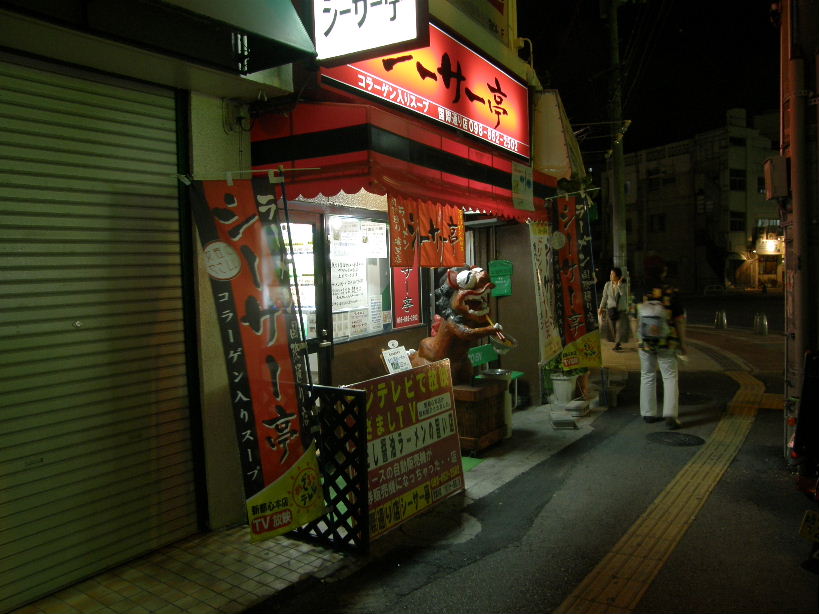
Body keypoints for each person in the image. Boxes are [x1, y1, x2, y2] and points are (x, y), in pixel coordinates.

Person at [636, 261, 686, 429]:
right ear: (663, 272)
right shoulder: (670, 291)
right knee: (670, 376)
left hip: (645, 342)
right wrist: (682, 343)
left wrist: (637, 338)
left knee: (647, 375)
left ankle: (648, 413)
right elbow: (679, 320)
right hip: (667, 341)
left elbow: (633, 317)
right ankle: (670, 415)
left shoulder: (640, 291)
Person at [597, 267, 630, 351]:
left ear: (617, 276)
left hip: (620, 309)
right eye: (610, 274)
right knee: (612, 328)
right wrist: (601, 307)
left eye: (612, 274)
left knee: (619, 327)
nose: (610, 275)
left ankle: (617, 344)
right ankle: (616, 341)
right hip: (611, 310)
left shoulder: (623, 285)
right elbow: (604, 297)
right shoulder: (607, 284)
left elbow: (623, 294)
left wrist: (619, 285)